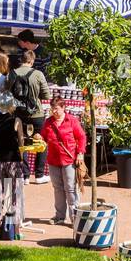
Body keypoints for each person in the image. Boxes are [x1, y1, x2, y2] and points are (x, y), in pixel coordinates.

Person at [8, 48, 52, 183]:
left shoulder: (12, 74)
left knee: (22, 142)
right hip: (36, 113)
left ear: (22, 60)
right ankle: (39, 174)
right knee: (41, 141)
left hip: (18, 114)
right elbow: (46, 95)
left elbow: (6, 93)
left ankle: (24, 175)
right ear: (32, 61)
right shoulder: (38, 74)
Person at [40, 96, 86, 225]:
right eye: (52, 109)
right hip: (53, 160)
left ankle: (75, 217)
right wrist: (39, 137)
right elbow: (43, 137)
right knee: (58, 188)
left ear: (63, 108)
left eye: (56, 109)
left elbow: (81, 137)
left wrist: (80, 153)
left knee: (70, 188)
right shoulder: (48, 122)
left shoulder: (71, 121)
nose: (54, 112)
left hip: (69, 160)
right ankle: (60, 216)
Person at [0, 109, 26, 238]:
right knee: (17, 194)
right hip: (14, 161)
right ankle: (17, 231)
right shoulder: (16, 120)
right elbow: (21, 142)